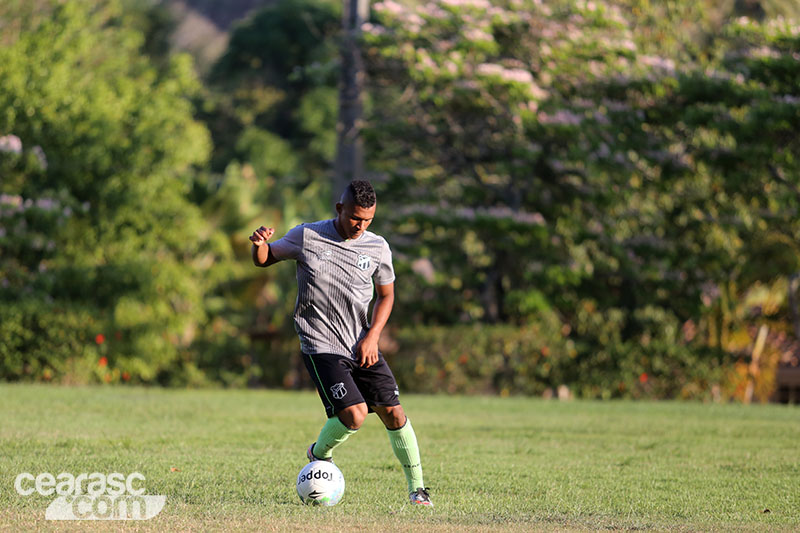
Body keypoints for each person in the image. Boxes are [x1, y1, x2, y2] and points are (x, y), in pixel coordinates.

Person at [249, 180, 433, 507]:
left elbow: (387, 295)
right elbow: (265, 258)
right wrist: (260, 244)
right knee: (355, 414)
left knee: (393, 412)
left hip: (362, 343)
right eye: (354, 218)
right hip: (320, 344)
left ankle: (417, 490)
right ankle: (319, 454)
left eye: (367, 220)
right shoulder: (308, 236)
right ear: (340, 209)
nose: (360, 226)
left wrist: (373, 336)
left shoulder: (377, 247)